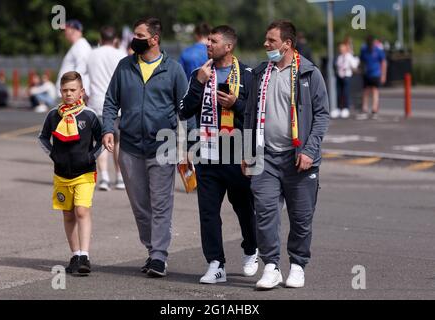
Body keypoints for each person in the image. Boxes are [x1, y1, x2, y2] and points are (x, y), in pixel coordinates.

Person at [102, 18, 194, 278]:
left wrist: (189, 145)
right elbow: (110, 102)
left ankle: (158, 257)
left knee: (161, 203)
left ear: (154, 39)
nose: (134, 38)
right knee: (140, 205)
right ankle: (152, 248)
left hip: (163, 147)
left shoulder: (174, 70)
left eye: (140, 35)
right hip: (130, 147)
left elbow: (186, 110)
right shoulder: (124, 66)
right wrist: (108, 129)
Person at [243, 20, 330, 290]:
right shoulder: (260, 74)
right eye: (266, 40)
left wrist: (309, 150)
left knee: (301, 217)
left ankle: (297, 265)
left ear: (287, 44)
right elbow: (248, 115)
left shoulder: (309, 73)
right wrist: (246, 152)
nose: (266, 45)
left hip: (299, 159)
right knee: (264, 212)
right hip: (265, 156)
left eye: (271, 41)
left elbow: (322, 116)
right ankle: (270, 266)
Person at [179, 25, 258, 284]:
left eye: (213, 41)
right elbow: (184, 111)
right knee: (209, 211)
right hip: (207, 153)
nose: (208, 45)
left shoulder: (248, 75)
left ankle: (251, 249)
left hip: (237, 153)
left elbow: (257, 114)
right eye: (208, 40)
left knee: (244, 208)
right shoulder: (199, 73)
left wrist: (237, 104)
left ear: (228, 46)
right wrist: (199, 84)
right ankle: (216, 263)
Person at [39, 71, 102, 275]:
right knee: (68, 215)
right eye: (65, 90)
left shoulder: (89, 115)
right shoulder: (53, 115)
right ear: (60, 91)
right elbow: (43, 138)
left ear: (81, 91)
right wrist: (53, 155)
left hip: (84, 173)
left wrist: (91, 157)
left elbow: (102, 140)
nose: (68, 94)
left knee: (81, 211)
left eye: (73, 90)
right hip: (61, 175)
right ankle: (74, 255)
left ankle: (85, 256)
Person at [87, 26, 126, 191]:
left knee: (100, 141)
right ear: (115, 39)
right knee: (117, 142)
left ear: (100, 39)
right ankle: (119, 177)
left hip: (96, 103)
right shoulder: (121, 54)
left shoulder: (91, 55)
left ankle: (104, 177)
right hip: (117, 104)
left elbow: (84, 76)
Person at [56, 20, 92, 100]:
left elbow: (81, 70)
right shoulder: (78, 45)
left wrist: (76, 93)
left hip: (74, 96)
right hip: (71, 94)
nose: (64, 33)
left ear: (73, 30)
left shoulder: (81, 46)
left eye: (66, 29)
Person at [357, 35, 387, 120]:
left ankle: (374, 110)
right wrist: (360, 69)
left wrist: (383, 75)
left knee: (375, 91)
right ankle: (364, 110)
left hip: (376, 73)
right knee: (365, 92)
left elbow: (383, 62)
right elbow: (361, 61)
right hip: (367, 74)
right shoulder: (364, 50)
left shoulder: (378, 50)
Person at [332, 43, 360, 119]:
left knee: (345, 93)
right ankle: (338, 108)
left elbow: (354, 65)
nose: (341, 50)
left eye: (342, 48)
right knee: (339, 93)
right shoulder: (339, 57)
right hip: (339, 75)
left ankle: (345, 108)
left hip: (346, 76)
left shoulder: (349, 56)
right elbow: (337, 65)